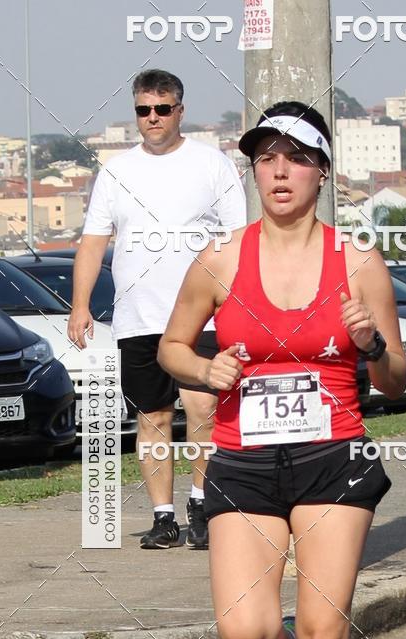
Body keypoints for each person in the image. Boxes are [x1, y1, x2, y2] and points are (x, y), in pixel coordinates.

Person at [158, 100, 406, 639]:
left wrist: (368, 348)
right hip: (243, 460)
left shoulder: (358, 262)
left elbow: (395, 377)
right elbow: (172, 346)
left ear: (321, 172)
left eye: (295, 157)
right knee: (245, 632)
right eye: (265, 158)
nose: (279, 170)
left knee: (328, 629)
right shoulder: (220, 260)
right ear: (254, 172)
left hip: (335, 456)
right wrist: (203, 373)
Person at [67, 69, 246, 550]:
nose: (152, 118)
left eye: (162, 109)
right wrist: (80, 304)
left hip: (202, 316)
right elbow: (92, 242)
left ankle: (202, 503)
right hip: (138, 317)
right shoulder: (117, 171)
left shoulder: (212, 164)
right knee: (153, 417)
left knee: (203, 409)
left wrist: (239, 303)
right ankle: (163, 517)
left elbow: (239, 240)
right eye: (144, 110)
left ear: (179, 111)